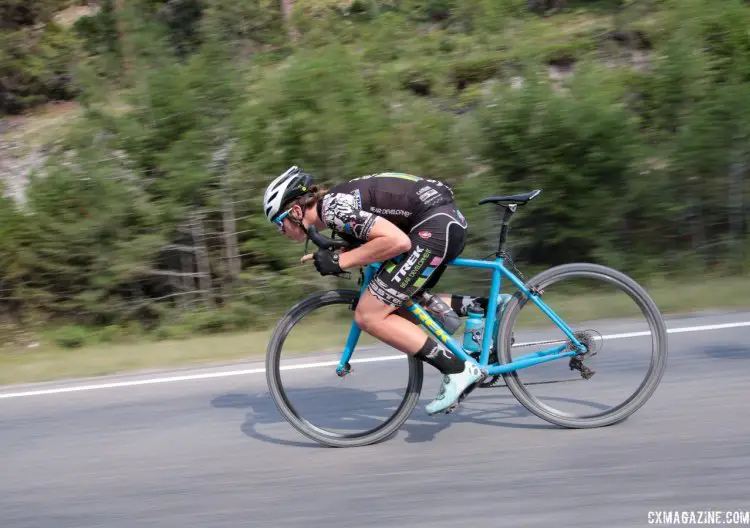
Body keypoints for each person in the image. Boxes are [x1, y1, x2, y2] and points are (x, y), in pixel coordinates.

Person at [263, 166, 495, 415]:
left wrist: (340, 262)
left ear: (296, 211)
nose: (281, 231)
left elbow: (396, 242)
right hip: (443, 221)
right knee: (394, 309)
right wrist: (346, 254)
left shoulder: (332, 209)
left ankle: (458, 369)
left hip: (434, 226)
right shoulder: (335, 206)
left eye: (279, 223)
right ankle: (483, 307)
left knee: (369, 315)